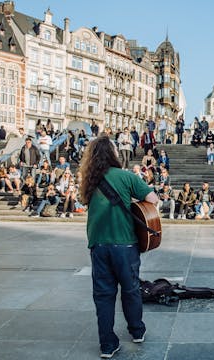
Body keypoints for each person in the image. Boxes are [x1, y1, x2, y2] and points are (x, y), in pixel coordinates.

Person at [78, 136, 159, 359]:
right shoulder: (125, 176)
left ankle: (107, 345)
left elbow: (84, 202)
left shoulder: (89, 180)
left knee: (103, 295)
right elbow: (153, 199)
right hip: (124, 243)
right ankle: (136, 331)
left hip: (98, 243)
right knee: (131, 289)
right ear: (113, 154)